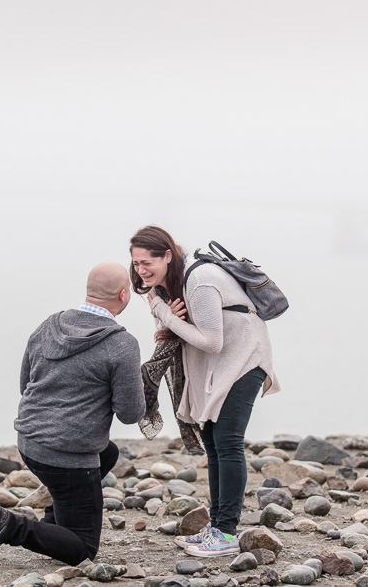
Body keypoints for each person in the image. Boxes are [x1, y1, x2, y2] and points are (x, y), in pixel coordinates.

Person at [0, 262, 145, 569]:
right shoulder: (121, 345)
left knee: (108, 453)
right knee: (83, 550)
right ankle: (10, 525)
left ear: (88, 292)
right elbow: (130, 414)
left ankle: (54, 519)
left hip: (30, 444)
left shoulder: (50, 325)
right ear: (124, 295)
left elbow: (26, 384)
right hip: (68, 458)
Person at [129, 226, 280, 557]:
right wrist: (165, 315)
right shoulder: (172, 285)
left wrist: (165, 314)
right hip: (217, 364)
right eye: (136, 263)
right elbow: (173, 334)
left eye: (147, 262)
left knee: (227, 442)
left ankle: (227, 532)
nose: (141, 270)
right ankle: (216, 525)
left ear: (167, 255)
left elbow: (213, 340)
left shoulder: (200, 281)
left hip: (243, 359)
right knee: (212, 442)